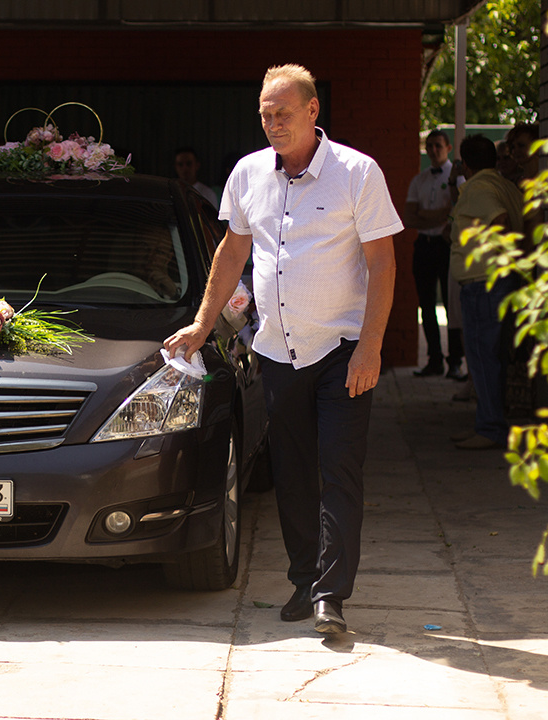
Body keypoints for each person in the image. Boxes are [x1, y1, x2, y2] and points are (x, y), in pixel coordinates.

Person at [164, 64, 401, 634]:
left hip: (343, 350)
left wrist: (371, 349)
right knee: (293, 471)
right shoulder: (248, 175)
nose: (273, 123)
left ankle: (331, 597)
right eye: (266, 115)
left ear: (312, 111)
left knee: (338, 471)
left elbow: (383, 263)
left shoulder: (357, 173)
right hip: (277, 351)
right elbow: (231, 253)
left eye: (283, 113)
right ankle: (304, 581)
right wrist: (202, 325)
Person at [448, 135, 526, 450]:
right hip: (498, 282)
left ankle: (491, 427)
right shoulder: (505, 185)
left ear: (466, 164)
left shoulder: (480, 188)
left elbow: (500, 220)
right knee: (492, 356)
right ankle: (490, 421)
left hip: (485, 283)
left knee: (482, 357)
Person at [405, 129, 465, 379]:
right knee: (426, 304)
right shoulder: (419, 179)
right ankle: (434, 360)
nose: (433, 150)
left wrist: (427, 216)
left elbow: (456, 210)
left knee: (452, 304)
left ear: (448, 148)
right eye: (429, 146)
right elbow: (409, 217)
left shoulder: (457, 179)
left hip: (445, 245)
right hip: (424, 244)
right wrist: (438, 215)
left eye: (438, 146)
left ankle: (455, 361)